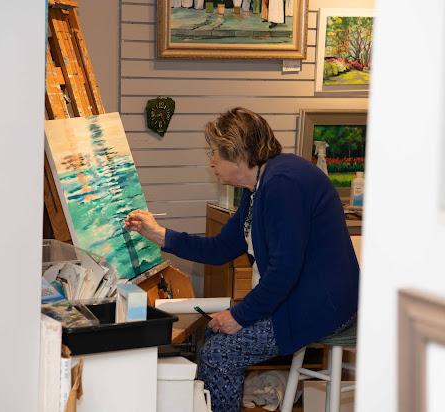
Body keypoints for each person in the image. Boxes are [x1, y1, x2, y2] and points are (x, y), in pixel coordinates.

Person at [125, 107, 359, 412]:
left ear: (237, 154)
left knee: (219, 354)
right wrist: (158, 234)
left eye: (214, 153)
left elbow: (284, 273)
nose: (211, 162)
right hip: (297, 295)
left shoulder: (283, 184)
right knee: (213, 333)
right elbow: (220, 249)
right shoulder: (258, 186)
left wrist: (238, 316)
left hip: (322, 306)